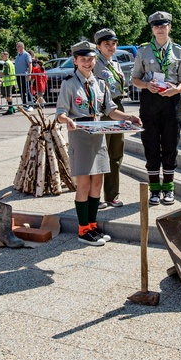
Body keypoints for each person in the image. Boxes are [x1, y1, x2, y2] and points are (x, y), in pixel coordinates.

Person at [55, 41, 141, 246]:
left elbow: (110, 110)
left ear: (95, 60)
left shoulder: (100, 83)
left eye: (90, 59)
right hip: (81, 135)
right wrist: (66, 120)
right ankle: (83, 229)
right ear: (75, 60)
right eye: (83, 59)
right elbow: (60, 113)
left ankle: (92, 226)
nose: (87, 62)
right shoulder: (69, 83)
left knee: (97, 183)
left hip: (99, 134)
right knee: (84, 184)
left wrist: (128, 117)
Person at [131, 11, 181, 206]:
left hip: (171, 103)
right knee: (151, 146)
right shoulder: (143, 51)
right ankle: (154, 189)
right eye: (156, 26)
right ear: (152, 29)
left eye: (163, 25)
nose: (160, 29)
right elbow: (135, 79)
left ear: (169, 26)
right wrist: (146, 85)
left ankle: (169, 189)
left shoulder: (179, 51)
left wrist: (176, 90)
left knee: (171, 146)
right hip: (150, 101)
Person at [94, 28, 128, 208]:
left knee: (115, 153)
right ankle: (95, 196)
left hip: (117, 106)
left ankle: (112, 195)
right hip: (101, 110)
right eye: (106, 44)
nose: (111, 47)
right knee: (99, 154)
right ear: (98, 46)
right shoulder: (94, 64)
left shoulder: (114, 63)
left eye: (113, 43)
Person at [14, 41, 33, 109]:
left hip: (24, 75)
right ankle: (24, 105)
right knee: (21, 91)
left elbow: (30, 64)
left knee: (27, 90)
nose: (17, 48)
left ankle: (31, 105)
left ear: (22, 47)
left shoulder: (26, 55)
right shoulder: (18, 55)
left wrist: (29, 74)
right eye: (17, 46)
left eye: (18, 46)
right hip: (18, 75)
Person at [0, 51, 17, 115]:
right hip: (10, 81)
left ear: (6, 56)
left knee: (8, 96)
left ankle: (10, 109)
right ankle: (12, 108)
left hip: (7, 82)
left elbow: (6, 73)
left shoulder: (6, 63)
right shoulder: (10, 63)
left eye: (2, 56)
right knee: (8, 95)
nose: (1, 57)